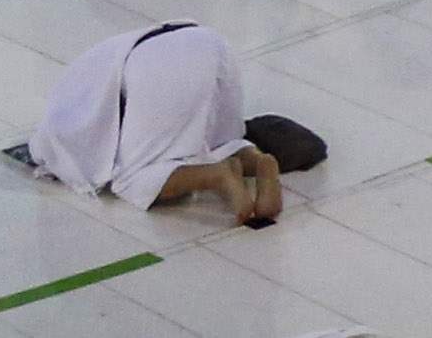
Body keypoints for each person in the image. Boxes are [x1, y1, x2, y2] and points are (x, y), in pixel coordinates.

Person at [31, 23, 285, 225]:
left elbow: (90, 167)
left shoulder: (56, 137)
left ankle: (216, 176)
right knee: (217, 143)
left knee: (131, 180)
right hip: (208, 41)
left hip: (154, 68)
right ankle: (260, 160)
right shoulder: (74, 86)